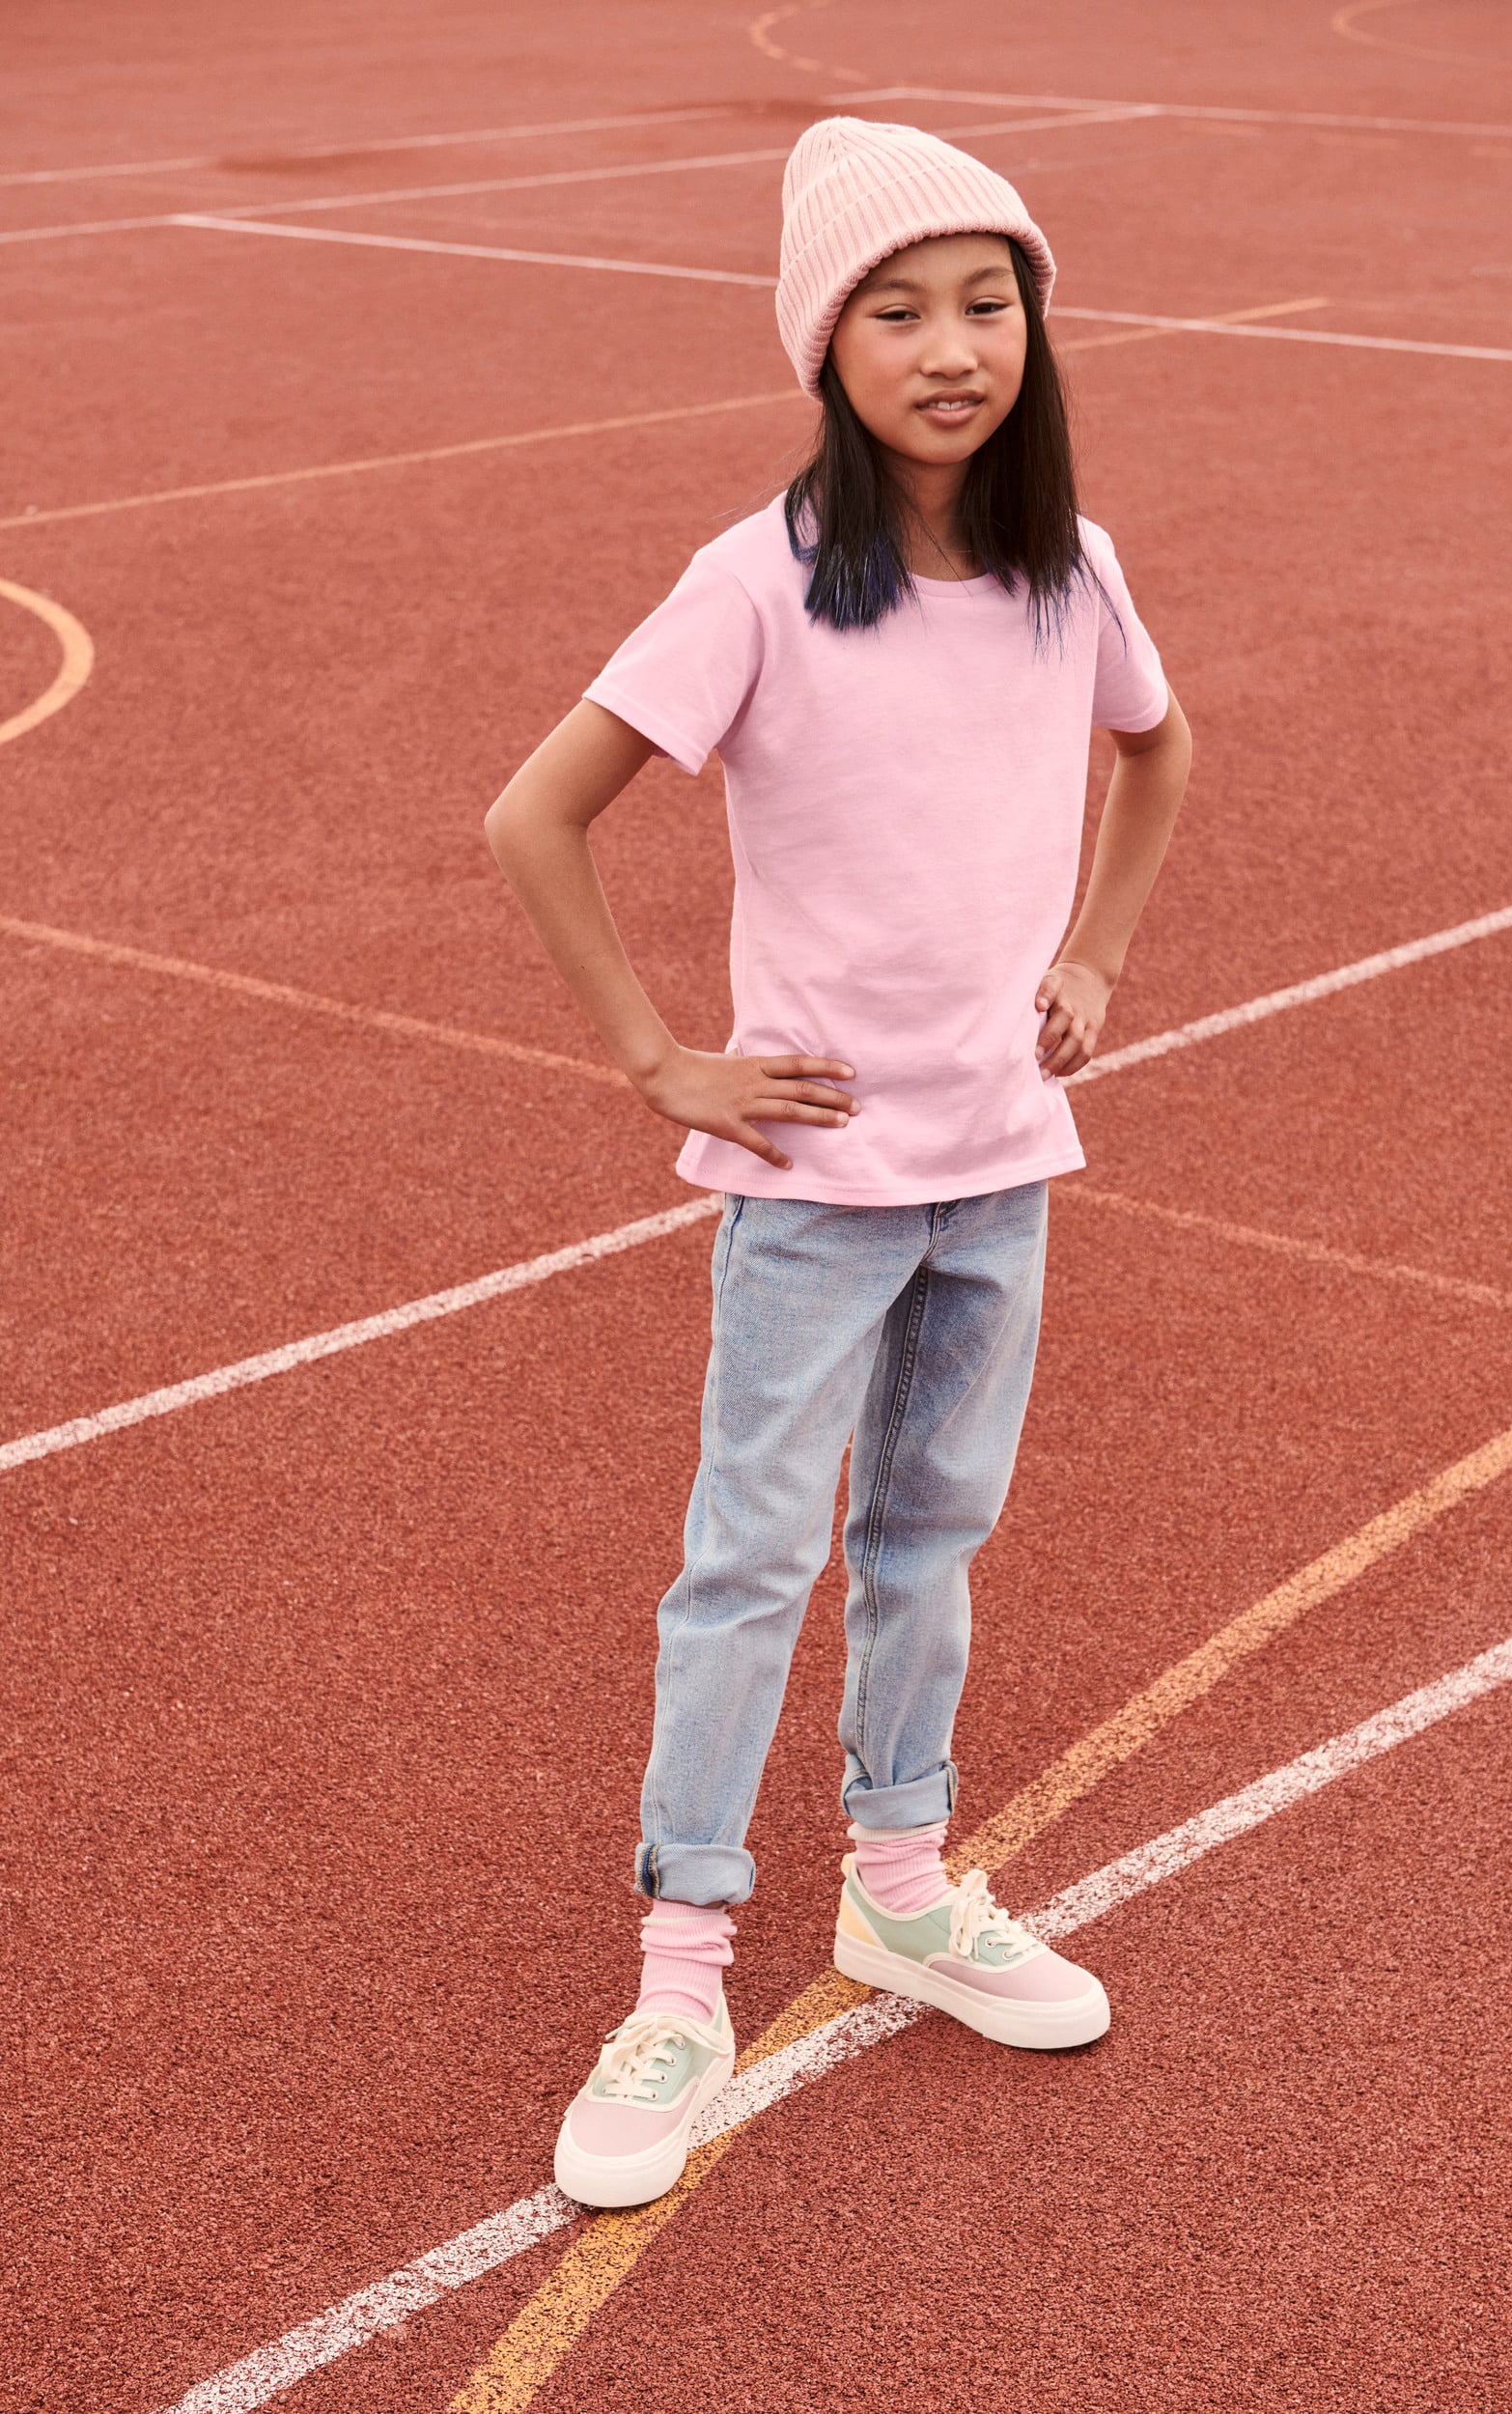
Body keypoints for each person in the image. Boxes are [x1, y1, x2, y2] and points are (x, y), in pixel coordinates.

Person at [486, 116, 1192, 2210]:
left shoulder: (1073, 566)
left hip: (1001, 1161)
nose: (951, 348)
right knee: (748, 1564)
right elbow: (537, 813)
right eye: (898, 312)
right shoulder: (761, 579)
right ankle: (681, 1969)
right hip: (811, 1189)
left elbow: (1158, 747)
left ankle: (900, 1882)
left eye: (987, 303)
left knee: (928, 1539)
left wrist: (1097, 952)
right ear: (827, 346)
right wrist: (661, 1059)